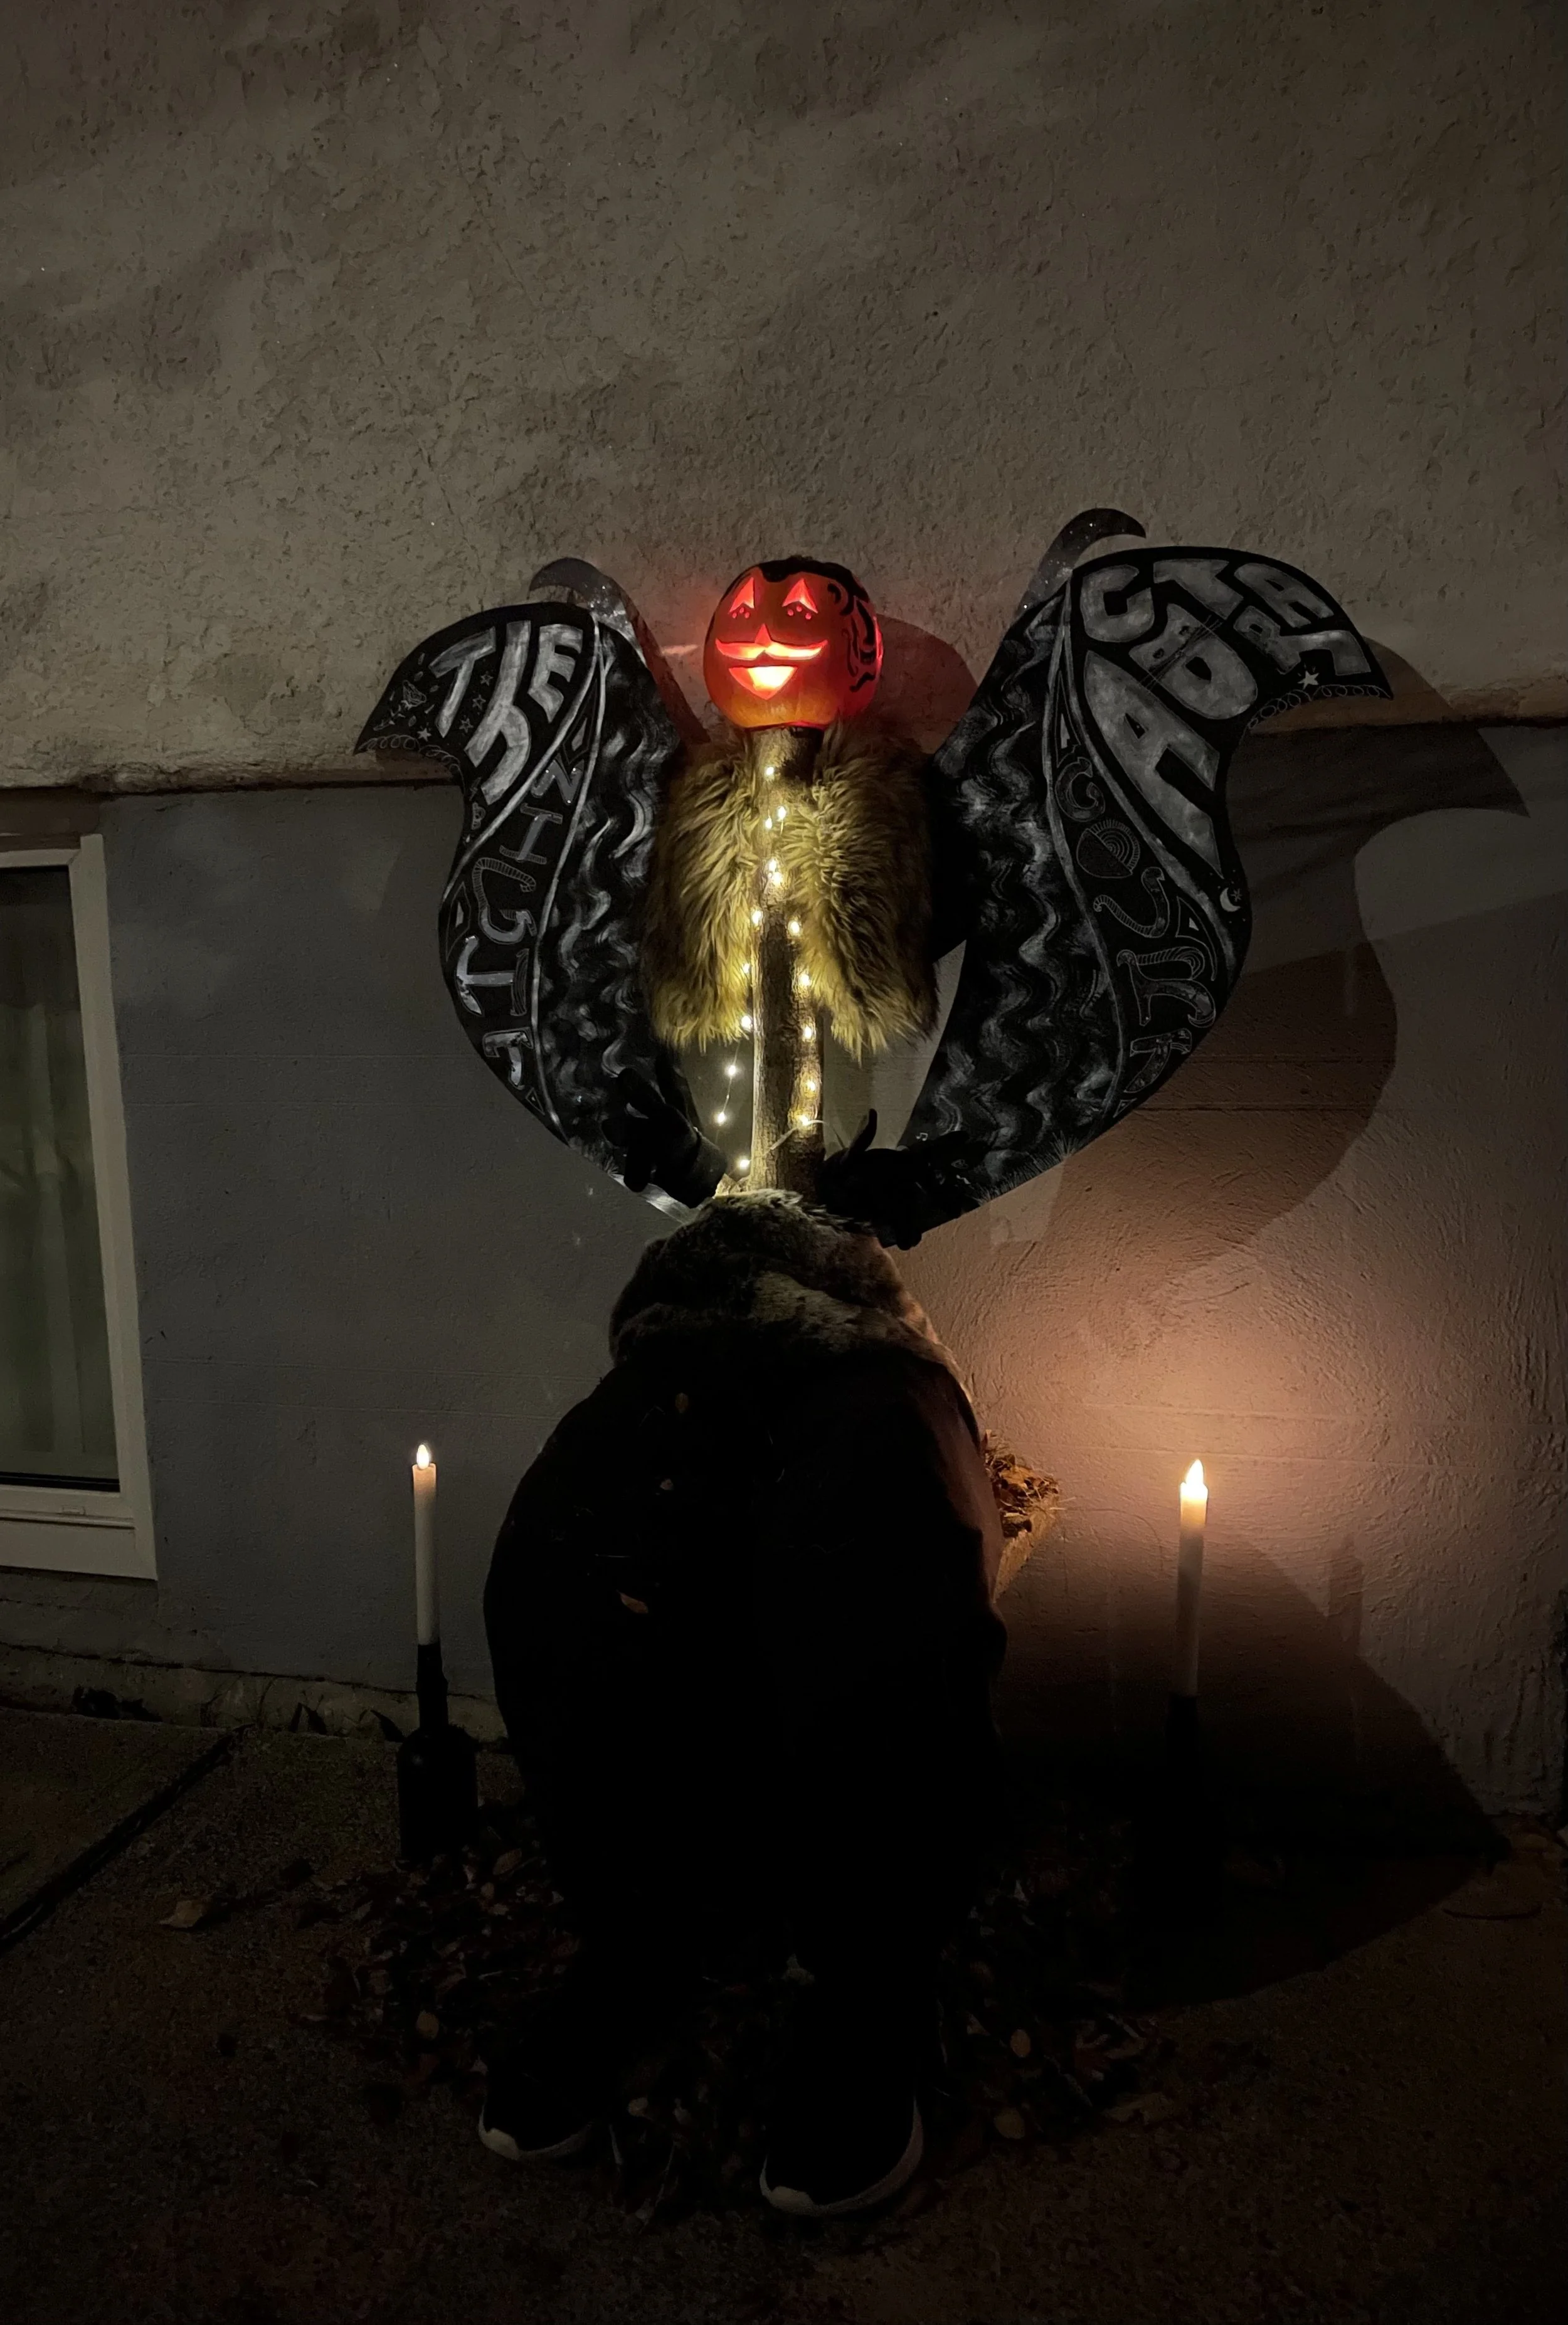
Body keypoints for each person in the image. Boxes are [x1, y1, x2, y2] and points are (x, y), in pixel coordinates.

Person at [478, 1191, 1006, 2216]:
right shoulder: (660, 1400)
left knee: (862, 1572)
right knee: (575, 1556)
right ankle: (645, 1938)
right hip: (727, 1467)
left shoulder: (876, 1411)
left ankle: (868, 1987)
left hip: (857, 1477)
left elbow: (905, 1642)